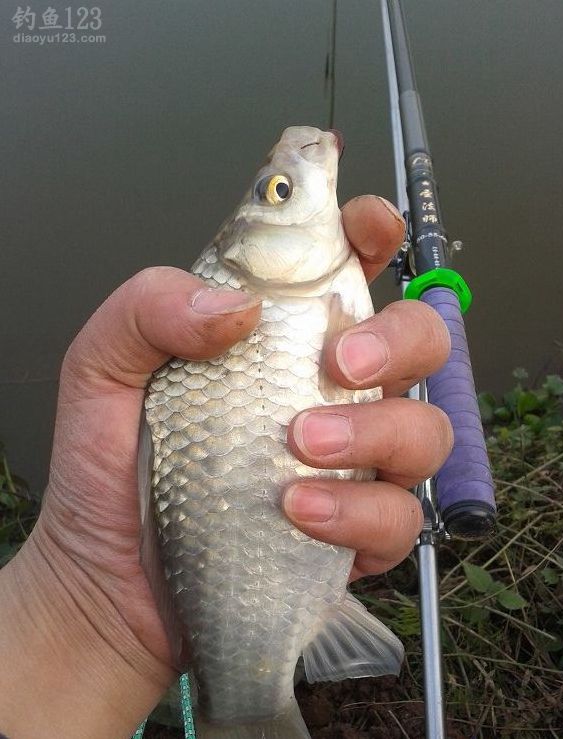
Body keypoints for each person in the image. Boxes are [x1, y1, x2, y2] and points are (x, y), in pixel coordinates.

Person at [0, 195, 452, 738]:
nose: (295, 176)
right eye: (279, 191)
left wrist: (92, 621)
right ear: (241, 245)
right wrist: (83, 599)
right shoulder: (224, 297)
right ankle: (243, 707)